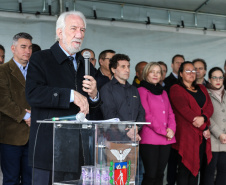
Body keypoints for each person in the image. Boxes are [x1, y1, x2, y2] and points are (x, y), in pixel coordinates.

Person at [25, 11, 100, 185]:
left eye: (82, 30)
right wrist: (71, 95)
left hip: (79, 151)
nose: (79, 34)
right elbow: (33, 94)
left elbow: (94, 107)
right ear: (59, 32)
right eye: (73, 28)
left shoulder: (86, 64)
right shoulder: (40, 59)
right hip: (49, 150)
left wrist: (95, 95)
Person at [170, 61, 213, 185]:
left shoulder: (202, 88)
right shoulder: (175, 89)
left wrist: (204, 118)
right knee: (184, 170)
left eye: (193, 70)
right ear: (181, 74)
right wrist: (205, 127)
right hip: (186, 136)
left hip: (200, 136)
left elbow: (209, 107)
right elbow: (185, 111)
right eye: (187, 71)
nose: (191, 73)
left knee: (197, 169)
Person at [0, 32, 32, 185]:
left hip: (33, 136)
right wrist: (26, 117)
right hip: (11, 137)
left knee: (30, 180)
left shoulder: (36, 71)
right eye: (23, 47)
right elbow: (3, 101)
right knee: (11, 180)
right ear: (13, 48)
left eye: (30, 47)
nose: (27, 51)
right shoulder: (3, 71)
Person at [138, 62, 176, 185]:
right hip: (150, 138)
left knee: (160, 174)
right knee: (151, 174)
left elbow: (170, 113)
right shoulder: (141, 90)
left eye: (158, 72)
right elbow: (146, 114)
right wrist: (163, 131)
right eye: (152, 72)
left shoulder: (163, 92)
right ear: (146, 74)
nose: (155, 74)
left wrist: (172, 129)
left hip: (166, 138)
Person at [100, 54, 145, 140]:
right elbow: (110, 115)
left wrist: (137, 128)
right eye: (123, 67)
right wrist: (127, 132)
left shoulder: (134, 89)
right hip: (114, 138)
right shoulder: (106, 89)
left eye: (128, 67)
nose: (127, 70)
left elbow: (141, 112)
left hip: (134, 137)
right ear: (113, 69)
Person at [203, 67, 226, 185]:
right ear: (209, 79)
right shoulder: (205, 94)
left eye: (220, 77)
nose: (218, 80)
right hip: (211, 139)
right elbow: (206, 116)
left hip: (225, 140)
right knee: (209, 171)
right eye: (214, 77)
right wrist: (219, 133)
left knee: (223, 171)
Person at [165, 54, 184, 185]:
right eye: (177, 63)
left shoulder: (188, 82)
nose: (179, 65)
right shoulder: (167, 81)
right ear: (172, 65)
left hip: (184, 125)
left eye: (182, 63)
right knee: (172, 159)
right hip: (171, 124)